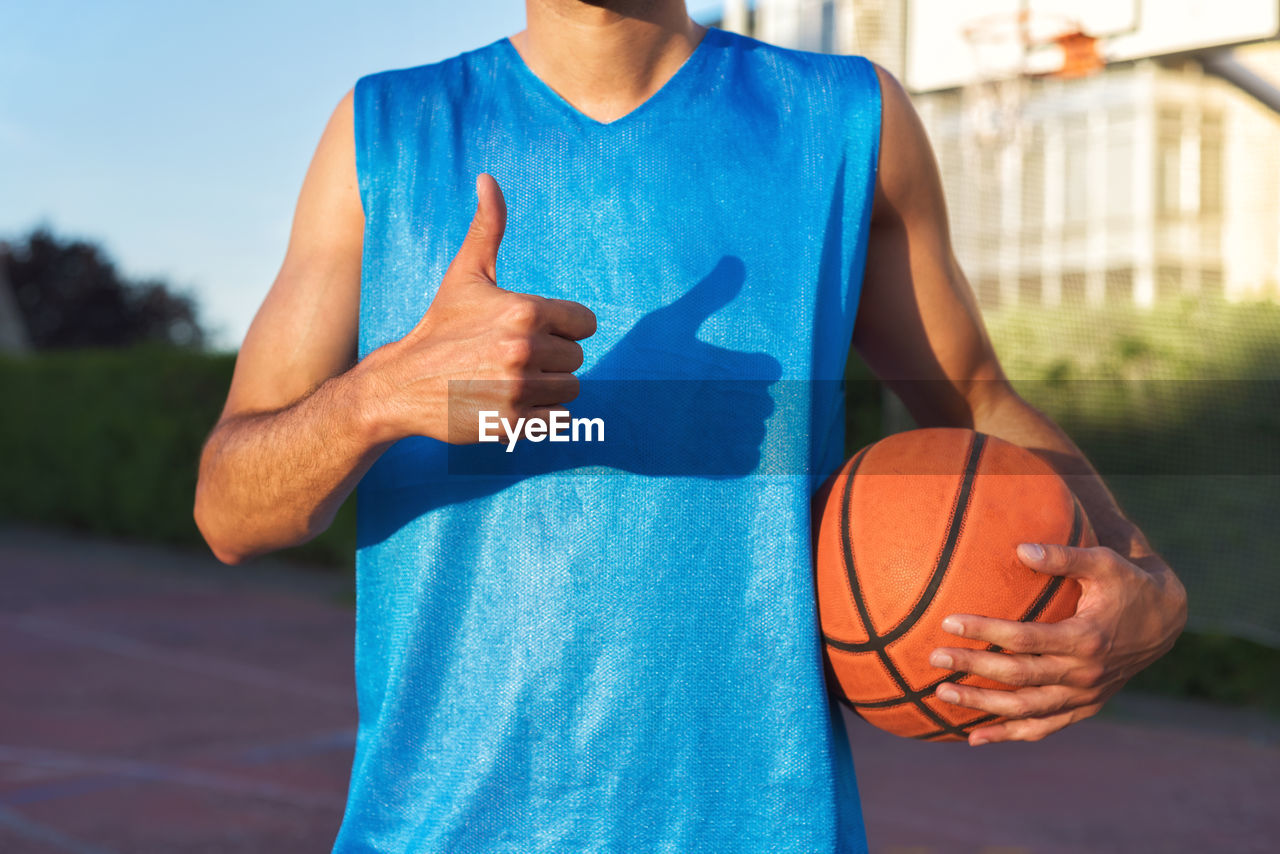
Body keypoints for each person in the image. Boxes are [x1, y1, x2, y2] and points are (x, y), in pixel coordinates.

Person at [193, 1, 1187, 851]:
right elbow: (231, 510)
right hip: (440, 825)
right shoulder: (383, 132)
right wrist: (381, 397)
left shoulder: (845, 120)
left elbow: (970, 397)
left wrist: (1149, 586)